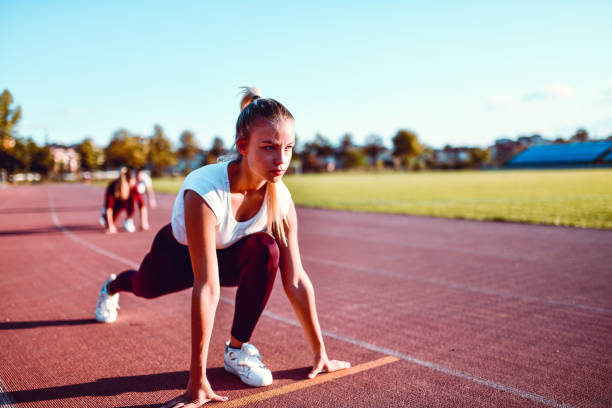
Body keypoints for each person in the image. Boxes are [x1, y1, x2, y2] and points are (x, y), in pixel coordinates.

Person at [94, 87, 350, 406]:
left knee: (266, 249)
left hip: (230, 254)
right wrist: (197, 379)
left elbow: (296, 279)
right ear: (243, 146)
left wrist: (320, 354)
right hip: (177, 255)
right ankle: (113, 285)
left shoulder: (280, 197)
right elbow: (208, 286)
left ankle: (237, 349)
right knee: (143, 287)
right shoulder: (205, 190)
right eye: (269, 147)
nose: (281, 159)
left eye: (288, 148)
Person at [99, 167, 137, 233]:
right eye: (133, 179)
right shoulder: (113, 186)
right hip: (115, 205)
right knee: (108, 223)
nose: (135, 181)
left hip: (126, 204)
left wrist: (144, 223)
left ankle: (128, 220)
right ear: (129, 180)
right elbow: (109, 207)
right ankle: (104, 215)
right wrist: (110, 226)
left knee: (133, 204)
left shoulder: (133, 187)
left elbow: (142, 204)